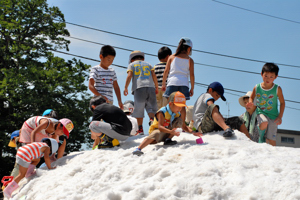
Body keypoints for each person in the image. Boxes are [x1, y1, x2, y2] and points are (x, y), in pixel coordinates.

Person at [132, 91, 202, 156]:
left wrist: (193, 132)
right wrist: (171, 131)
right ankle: (138, 149)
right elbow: (160, 127)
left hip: (167, 133)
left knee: (179, 120)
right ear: (170, 104)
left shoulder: (176, 114)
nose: (180, 109)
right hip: (156, 136)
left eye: (182, 107)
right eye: (178, 106)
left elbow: (184, 126)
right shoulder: (162, 111)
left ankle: (168, 140)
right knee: (156, 132)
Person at [247, 63, 285, 146]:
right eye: (266, 76)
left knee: (272, 141)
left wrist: (280, 116)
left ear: (276, 77)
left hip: (273, 116)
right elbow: (252, 97)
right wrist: (250, 102)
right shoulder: (257, 87)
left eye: (271, 77)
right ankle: (261, 136)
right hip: (261, 112)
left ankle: (272, 156)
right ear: (261, 74)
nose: (268, 78)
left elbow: (282, 103)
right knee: (264, 122)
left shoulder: (277, 89)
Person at [162, 37, 195, 133]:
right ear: (189, 49)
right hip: (184, 84)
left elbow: (166, 71)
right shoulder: (190, 60)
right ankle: (183, 126)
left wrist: (164, 83)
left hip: (172, 83)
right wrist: (192, 87)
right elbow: (192, 75)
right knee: (182, 106)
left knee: (170, 105)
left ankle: (167, 125)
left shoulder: (171, 57)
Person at [124, 50, 159, 135]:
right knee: (151, 107)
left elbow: (129, 75)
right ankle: (152, 119)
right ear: (143, 58)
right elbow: (154, 75)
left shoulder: (131, 65)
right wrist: (156, 86)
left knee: (139, 109)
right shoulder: (149, 64)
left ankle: (140, 129)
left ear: (132, 59)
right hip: (151, 87)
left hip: (139, 88)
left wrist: (126, 87)